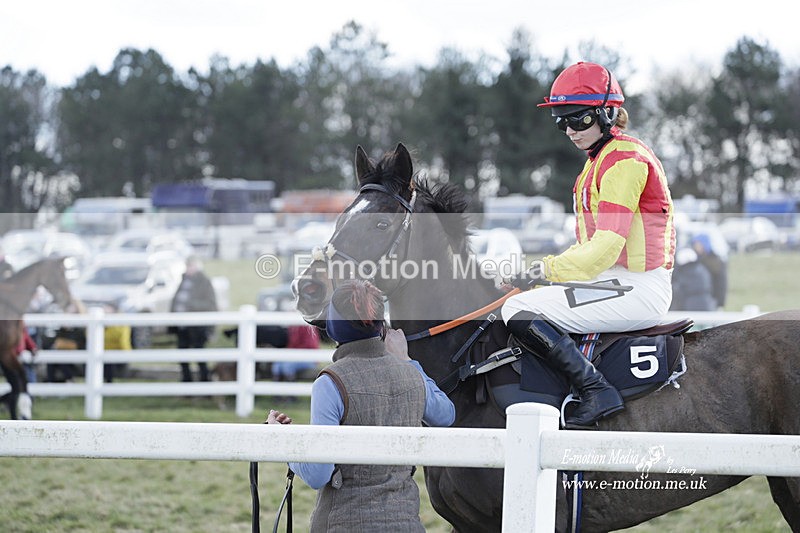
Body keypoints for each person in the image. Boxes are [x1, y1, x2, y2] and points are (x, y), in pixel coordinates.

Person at [501, 61, 676, 429]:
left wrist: (545, 269)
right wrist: (542, 276)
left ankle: (596, 390)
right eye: (560, 122)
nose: (569, 130)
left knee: (517, 309)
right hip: (615, 282)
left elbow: (606, 247)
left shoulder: (624, 160)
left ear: (606, 113)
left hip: (638, 287)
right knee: (522, 298)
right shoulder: (599, 161)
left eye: (577, 120)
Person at [267, 279, 455, 533]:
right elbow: (445, 415)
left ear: (334, 327)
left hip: (343, 524)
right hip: (406, 524)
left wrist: (284, 441)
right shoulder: (411, 373)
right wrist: (408, 360)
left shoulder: (330, 382)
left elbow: (317, 474)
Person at [170, 256, 218, 382]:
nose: (188, 268)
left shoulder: (204, 282)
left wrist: (191, 305)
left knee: (199, 354)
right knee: (182, 354)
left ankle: (204, 380)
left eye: (190, 265)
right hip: (182, 325)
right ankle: (187, 380)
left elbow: (211, 305)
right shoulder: (183, 280)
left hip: (197, 326)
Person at [692, 233, 727, 309]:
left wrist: (720, 303)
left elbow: (721, 284)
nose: (696, 247)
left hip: (712, 300)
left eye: (698, 244)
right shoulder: (694, 260)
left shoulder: (716, 261)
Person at [102, 301, 132, 383]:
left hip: (119, 355)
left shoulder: (120, 325)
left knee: (108, 360)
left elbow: (123, 343)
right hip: (106, 355)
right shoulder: (102, 325)